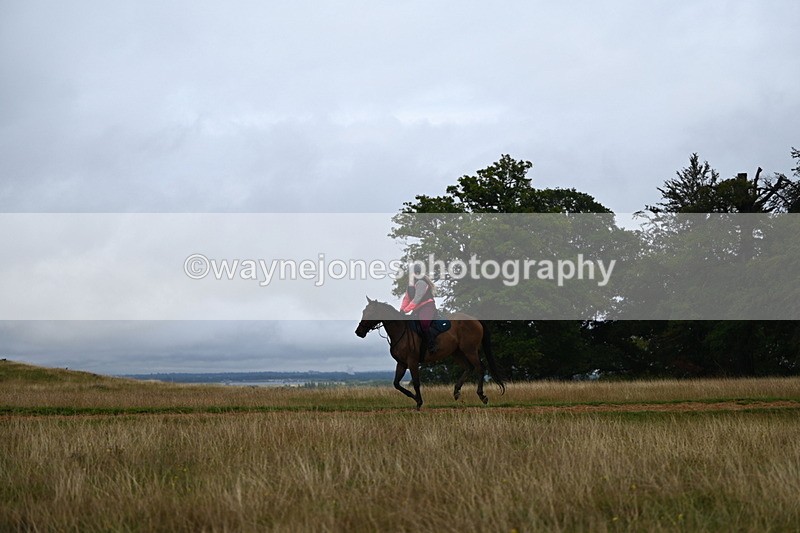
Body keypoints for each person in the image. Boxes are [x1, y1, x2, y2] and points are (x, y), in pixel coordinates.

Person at [400, 264, 438, 354]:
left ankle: (432, 345)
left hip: (427, 306)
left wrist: (406, 310)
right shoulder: (410, 285)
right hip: (417, 308)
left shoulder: (421, 282)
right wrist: (401, 310)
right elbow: (406, 299)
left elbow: (417, 298)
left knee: (424, 323)